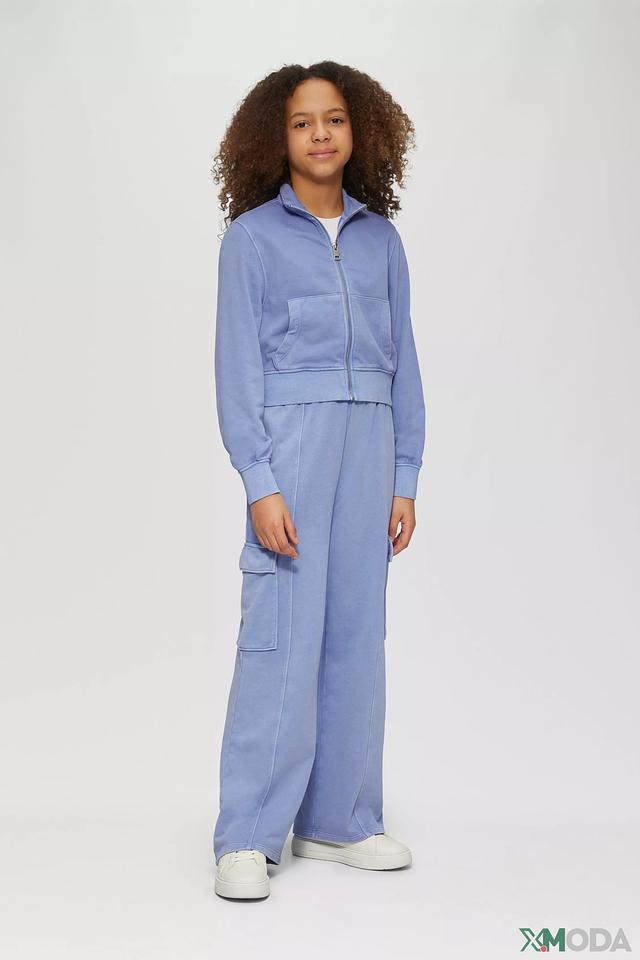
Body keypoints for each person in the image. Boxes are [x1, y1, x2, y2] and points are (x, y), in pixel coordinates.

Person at [211, 60, 426, 900]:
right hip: (293, 448)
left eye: (333, 118)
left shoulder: (382, 241)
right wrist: (260, 480)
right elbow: (237, 371)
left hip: (370, 446)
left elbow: (404, 365)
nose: (321, 134)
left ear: (357, 129)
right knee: (281, 636)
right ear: (278, 138)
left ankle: (340, 819)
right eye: (302, 122)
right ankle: (246, 836)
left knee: (356, 637)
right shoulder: (252, 240)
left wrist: (404, 474)